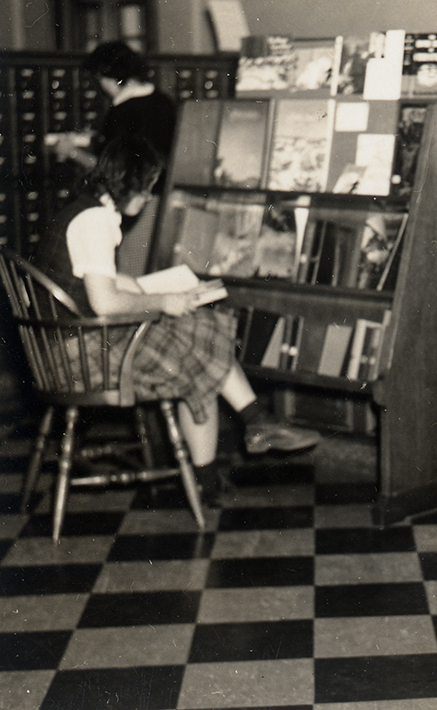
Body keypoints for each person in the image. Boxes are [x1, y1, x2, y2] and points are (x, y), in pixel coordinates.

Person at [32, 135, 319, 505]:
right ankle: (247, 430)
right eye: (148, 186)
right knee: (200, 342)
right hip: (77, 356)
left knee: (198, 344)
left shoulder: (86, 210)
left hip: (67, 344)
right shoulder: (95, 221)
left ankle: (227, 457)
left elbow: (98, 280)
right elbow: (104, 302)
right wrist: (164, 300)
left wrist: (146, 289)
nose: (149, 195)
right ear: (132, 186)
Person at [52, 41, 178, 276]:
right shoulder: (163, 102)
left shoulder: (122, 112)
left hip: (134, 205)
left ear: (109, 76)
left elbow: (112, 169)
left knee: (129, 270)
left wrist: (71, 152)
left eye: (100, 79)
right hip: (161, 201)